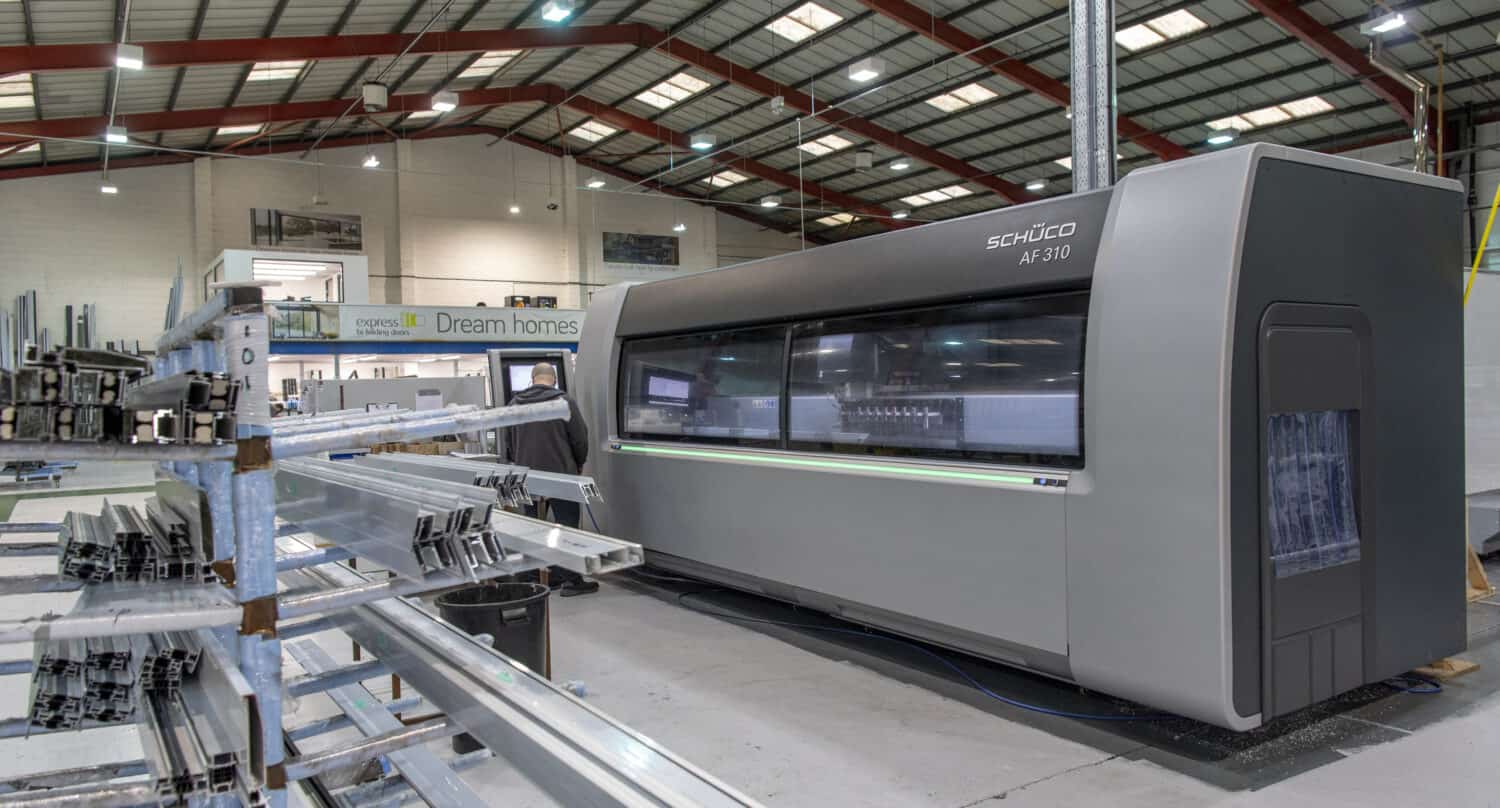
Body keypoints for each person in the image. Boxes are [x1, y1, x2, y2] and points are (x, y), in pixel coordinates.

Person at [505, 362, 598, 596]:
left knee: (532, 527)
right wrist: (579, 463)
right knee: (566, 526)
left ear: (532, 379)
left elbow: (508, 441)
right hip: (560, 475)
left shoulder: (515, 404)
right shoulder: (564, 402)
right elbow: (580, 438)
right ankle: (569, 580)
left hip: (527, 476)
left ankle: (536, 578)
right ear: (553, 380)